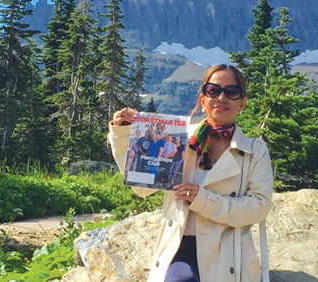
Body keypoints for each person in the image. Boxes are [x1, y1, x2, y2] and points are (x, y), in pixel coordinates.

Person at [110, 64, 272, 282]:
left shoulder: (255, 151)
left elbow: (259, 207)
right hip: (181, 246)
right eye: (213, 90)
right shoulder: (178, 137)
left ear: (242, 102)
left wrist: (203, 200)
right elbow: (141, 187)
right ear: (203, 100)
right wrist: (123, 131)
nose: (221, 97)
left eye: (231, 91)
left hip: (229, 249)